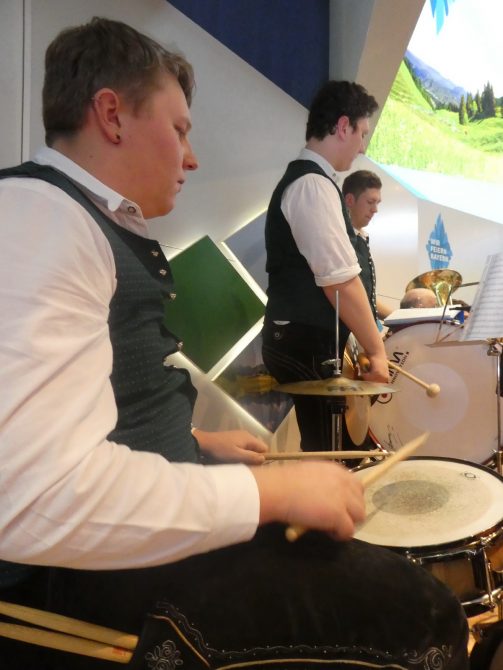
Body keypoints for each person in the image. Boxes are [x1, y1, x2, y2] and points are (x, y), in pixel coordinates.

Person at [0, 18, 468, 670]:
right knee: (426, 619)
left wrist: (197, 443)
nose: (191, 157)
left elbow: (79, 408)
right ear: (111, 115)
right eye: (180, 130)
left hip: (122, 537)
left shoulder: (71, 218)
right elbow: (33, 495)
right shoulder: (39, 218)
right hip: (76, 577)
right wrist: (270, 494)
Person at [262, 81, 389, 454]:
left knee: (331, 450)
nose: (363, 146)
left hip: (310, 340)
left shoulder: (317, 183)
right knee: (328, 454)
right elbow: (340, 282)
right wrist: (377, 351)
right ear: (343, 126)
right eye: (362, 134)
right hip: (303, 342)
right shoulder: (311, 186)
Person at [342, 169, 393, 322]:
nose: (375, 210)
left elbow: (366, 296)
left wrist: (399, 318)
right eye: (370, 202)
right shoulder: (339, 239)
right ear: (349, 200)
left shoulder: (361, 238)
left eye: (377, 203)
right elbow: (349, 295)